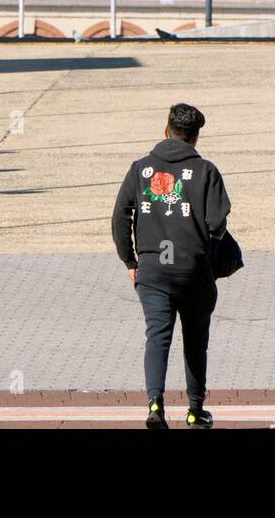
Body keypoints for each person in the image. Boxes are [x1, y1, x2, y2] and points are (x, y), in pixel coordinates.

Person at [112, 103, 231, 429]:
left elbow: (120, 215)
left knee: (157, 337)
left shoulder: (140, 169)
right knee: (195, 339)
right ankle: (195, 410)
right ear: (195, 138)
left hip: (151, 269)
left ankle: (155, 404)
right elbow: (217, 222)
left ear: (165, 130)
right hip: (192, 269)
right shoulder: (206, 170)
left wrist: (130, 260)